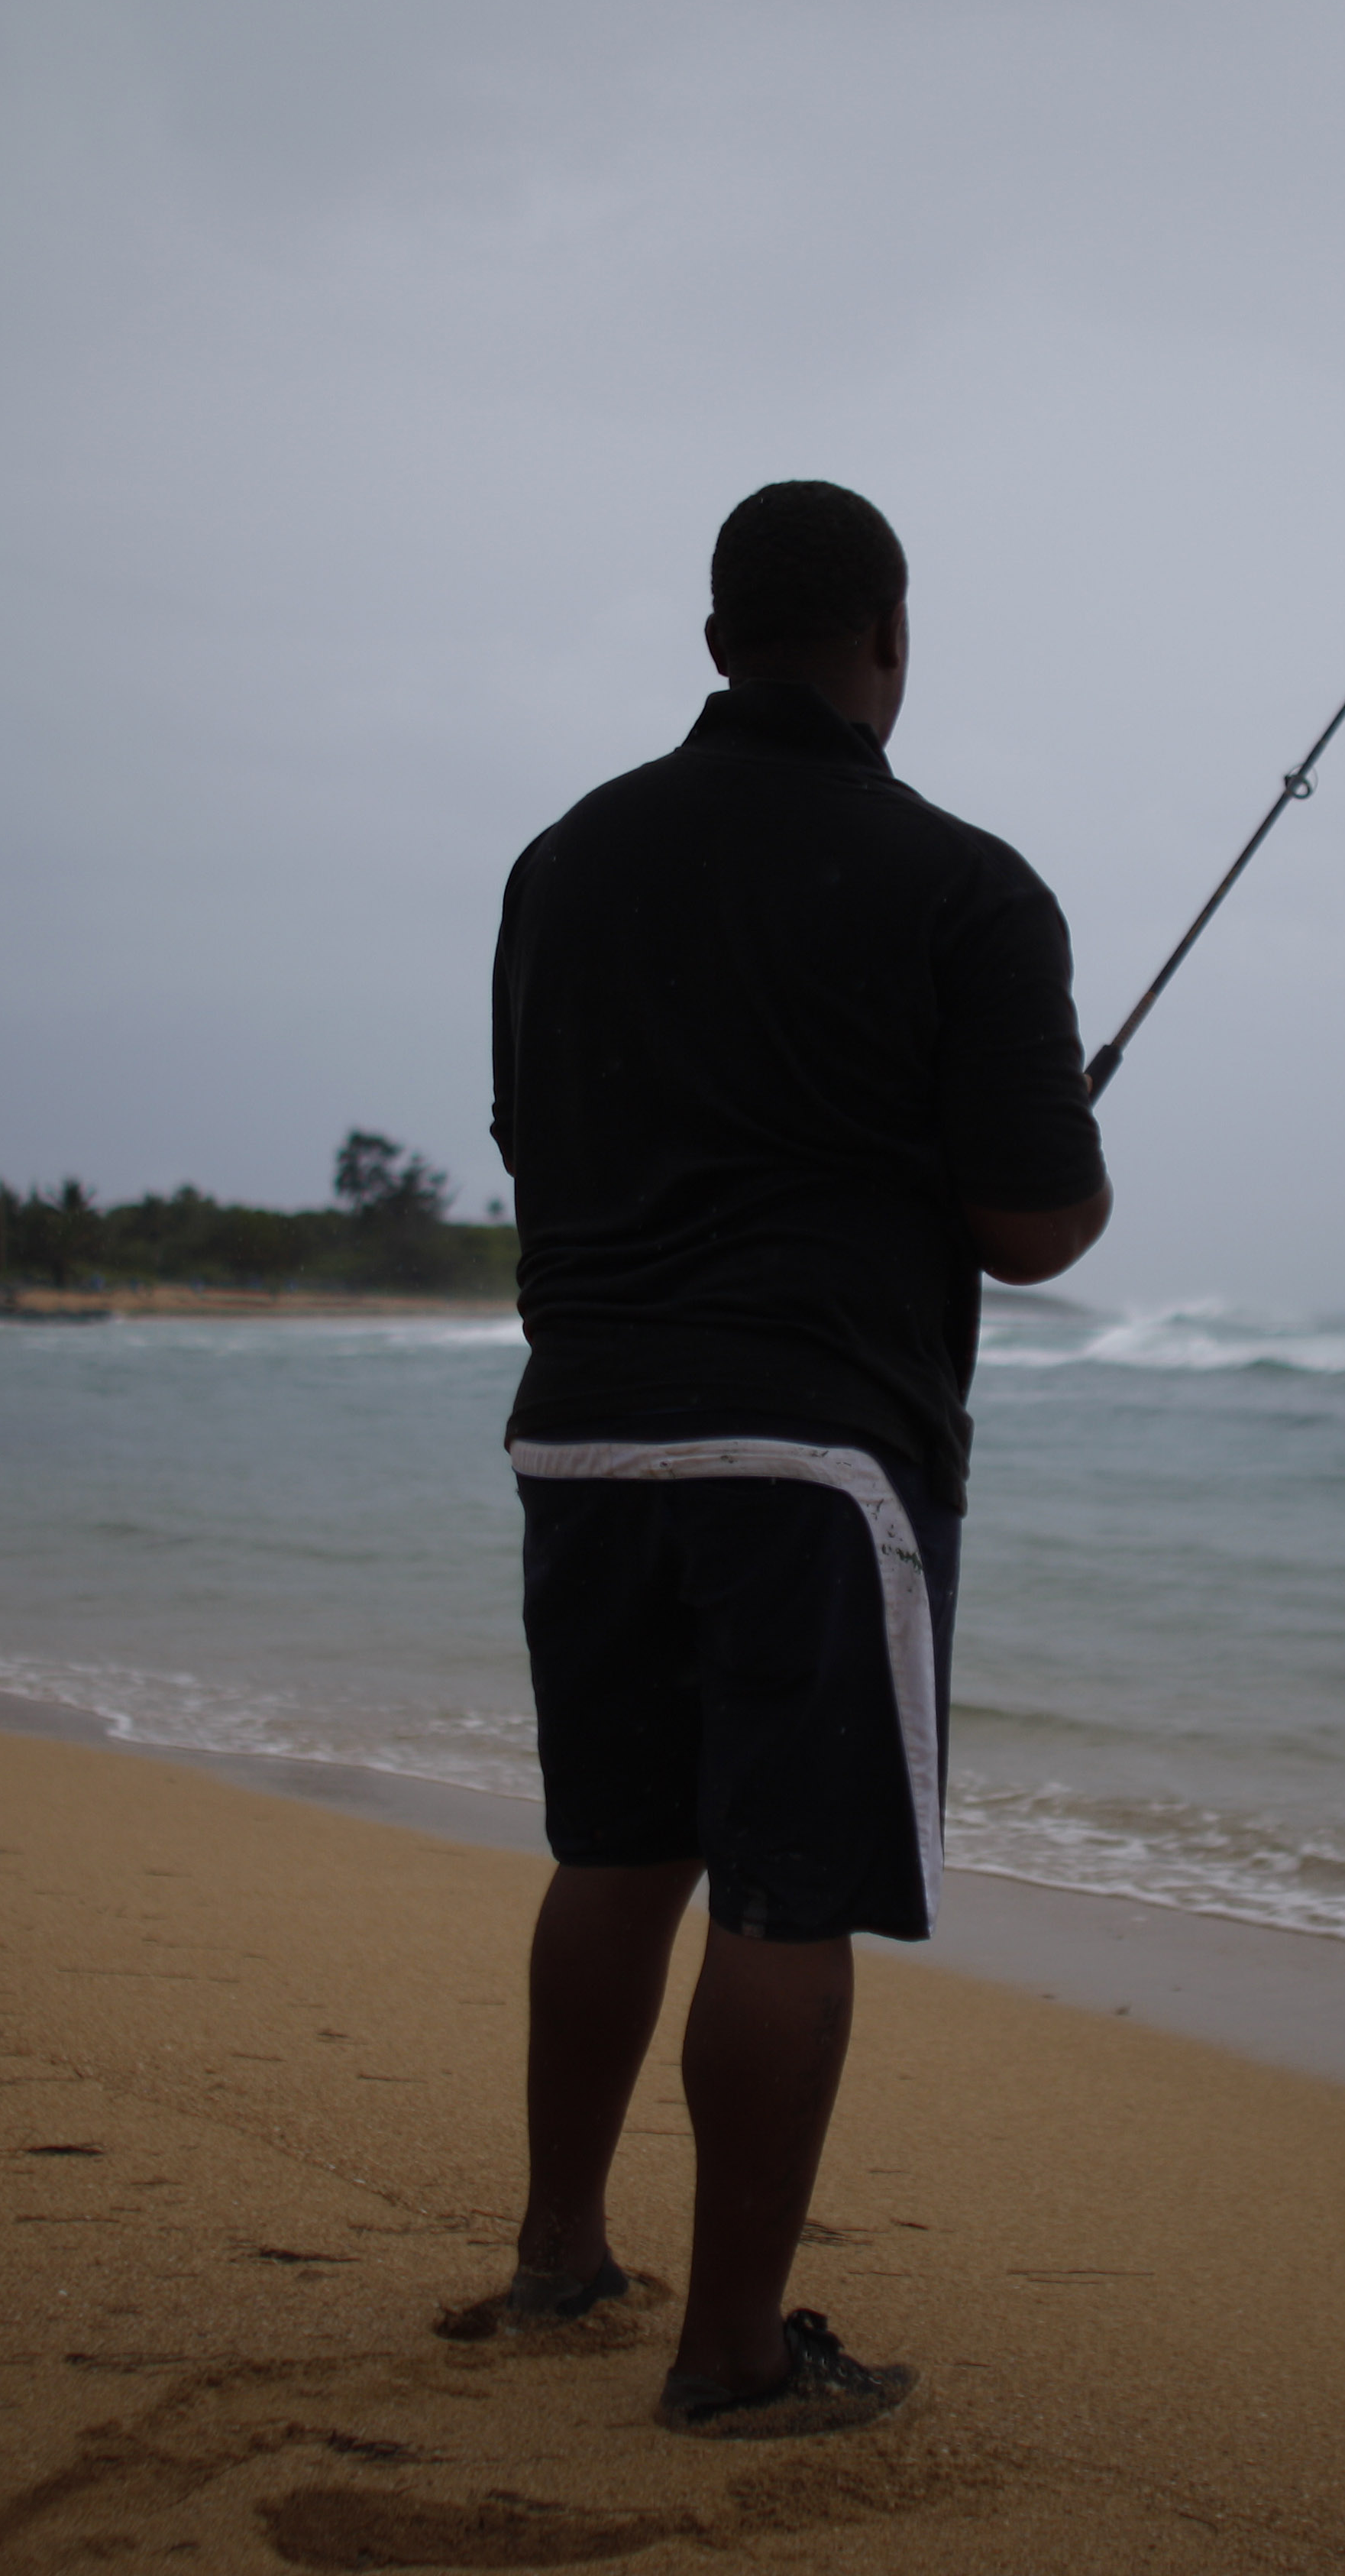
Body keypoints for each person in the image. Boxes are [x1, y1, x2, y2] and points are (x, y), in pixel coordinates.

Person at [476, 478, 1112, 2439]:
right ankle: (735, 2358)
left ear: (716, 641)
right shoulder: (965, 888)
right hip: (815, 1460)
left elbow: (538, 1143)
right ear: (888, 643)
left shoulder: (558, 864)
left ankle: (562, 2246)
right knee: (785, 1893)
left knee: (616, 1849)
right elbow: (1036, 1224)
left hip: (584, 1437)